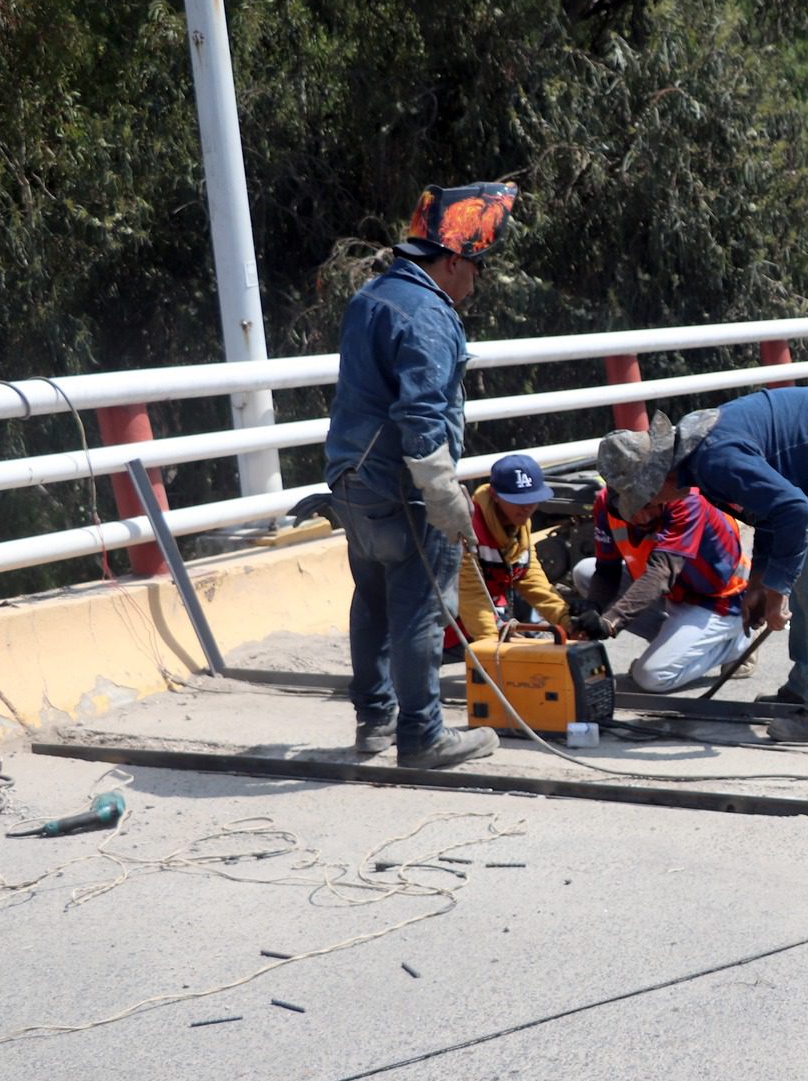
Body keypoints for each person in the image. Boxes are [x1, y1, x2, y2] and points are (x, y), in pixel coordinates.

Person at [322, 181, 516, 768]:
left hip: (349, 477)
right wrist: (442, 491)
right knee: (419, 608)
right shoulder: (432, 313)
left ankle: (374, 722)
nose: (474, 282)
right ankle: (423, 735)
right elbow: (421, 412)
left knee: (372, 598)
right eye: (474, 269)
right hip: (401, 486)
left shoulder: (372, 295)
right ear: (453, 259)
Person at [601, 387, 808, 742]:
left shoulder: (714, 460)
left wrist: (777, 590)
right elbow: (769, 513)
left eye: (645, 498)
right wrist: (759, 580)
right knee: (805, 575)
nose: (652, 506)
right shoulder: (697, 461)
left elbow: (794, 510)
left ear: (655, 482)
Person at [583, 450, 756, 692]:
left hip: (720, 600)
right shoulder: (604, 503)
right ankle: (677, 644)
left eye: (648, 505)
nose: (642, 517)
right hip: (674, 593)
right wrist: (592, 608)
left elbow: (660, 573)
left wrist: (611, 622)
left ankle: (735, 645)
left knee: (651, 677)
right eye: (630, 509)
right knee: (584, 572)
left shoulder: (686, 498)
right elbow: (606, 570)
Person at [445, 452, 608, 654]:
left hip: (483, 613)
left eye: (533, 499)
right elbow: (472, 597)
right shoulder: (468, 529)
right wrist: (495, 649)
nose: (528, 508)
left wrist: (569, 622)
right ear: (495, 496)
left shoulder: (519, 527)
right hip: (449, 623)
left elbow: (533, 581)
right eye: (518, 500)